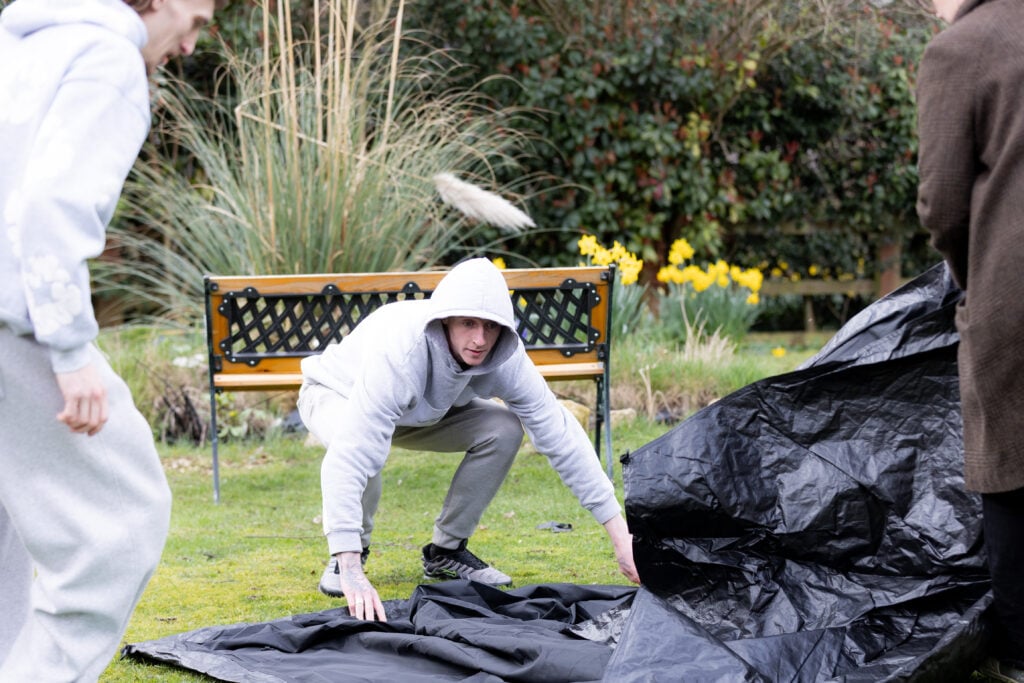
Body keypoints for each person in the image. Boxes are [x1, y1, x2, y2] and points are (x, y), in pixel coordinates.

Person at [0, 0, 218, 679]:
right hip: (18, 319)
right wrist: (69, 350)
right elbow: (48, 208)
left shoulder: (20, 49)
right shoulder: (107, 60)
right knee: (120, 522)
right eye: (199, 19)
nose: (191, 44)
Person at [298, 258, 639, 622]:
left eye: (491, 327)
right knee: (367, 459)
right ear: (445, 319)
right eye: (468, 324)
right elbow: (352, 454)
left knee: (504, 428)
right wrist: (349, 564)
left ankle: (446, 550)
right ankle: (352, 556)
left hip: (420, 412)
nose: (480, 340)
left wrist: (620, 536)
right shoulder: (399, 352)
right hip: (336, 395)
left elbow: (560, 433)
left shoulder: (505, 357)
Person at [916, 1, 1024, 681]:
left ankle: (1018, 654)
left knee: (1010, 468)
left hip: (1015, 299)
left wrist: (970, 275)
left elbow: (943, 202)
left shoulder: (962, 49)